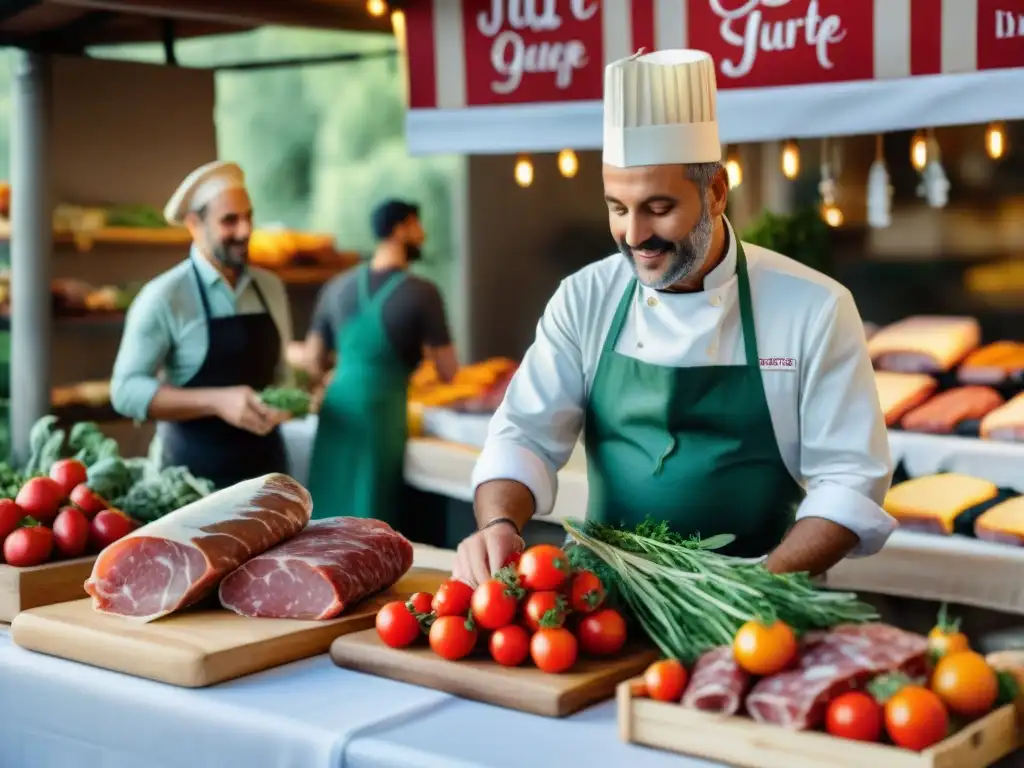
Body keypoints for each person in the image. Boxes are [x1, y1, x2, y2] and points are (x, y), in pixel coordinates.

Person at [453, 49, 896, 586]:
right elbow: (523, 436)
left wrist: (756, 590)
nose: (635, 236)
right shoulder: (584, 298)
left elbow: (849, 479)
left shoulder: (814, 307)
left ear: (715, 192)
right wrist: (499, 524)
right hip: (604, 597)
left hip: (758, 598)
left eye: (658, 208)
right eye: (617, 208)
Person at [110, 161, 294, 489]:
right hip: (189, 485)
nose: (245, 230)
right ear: (194, 224)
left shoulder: (271, 288)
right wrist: (217, 401)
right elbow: (124, 391)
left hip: (267, 476)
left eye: (248, 216)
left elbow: (283, 376)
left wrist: (287, 405)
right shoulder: (164, 296)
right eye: (229, 220)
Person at [305, 199, 457, 523]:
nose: (423, 233)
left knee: (328, 505)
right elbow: (449, 371)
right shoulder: (423, 293)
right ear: (400, 229)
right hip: (381, 411)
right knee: (370, 512)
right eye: (418, 225)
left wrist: (338, 372)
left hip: (336, 408)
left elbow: (312, 358)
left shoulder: (336, 286)